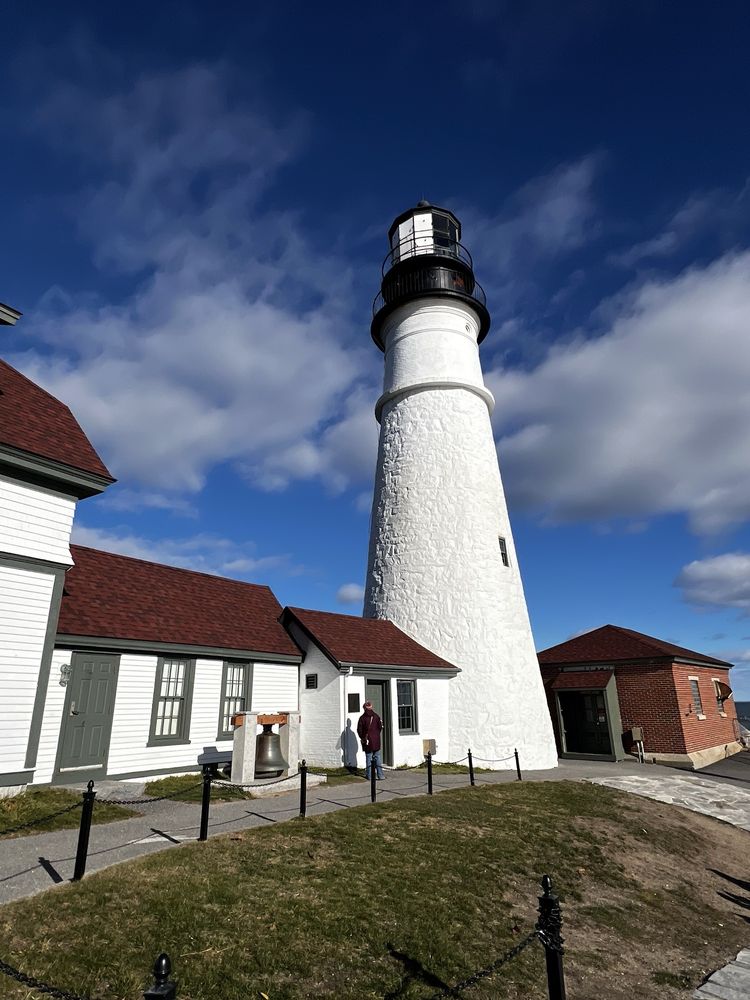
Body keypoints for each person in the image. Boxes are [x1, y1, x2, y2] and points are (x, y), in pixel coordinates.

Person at [357, 700, 385, 780]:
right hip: (376, 740)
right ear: (371, 707)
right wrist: (375, 735)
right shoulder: (376, 716)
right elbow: (380, 727)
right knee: (378, 757)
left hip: (367, 741)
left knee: (368, 757)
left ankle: (369, 775)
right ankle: (380, 775)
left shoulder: (362, 718)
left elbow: (359, 730)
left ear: (364, 708)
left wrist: (363, 737)